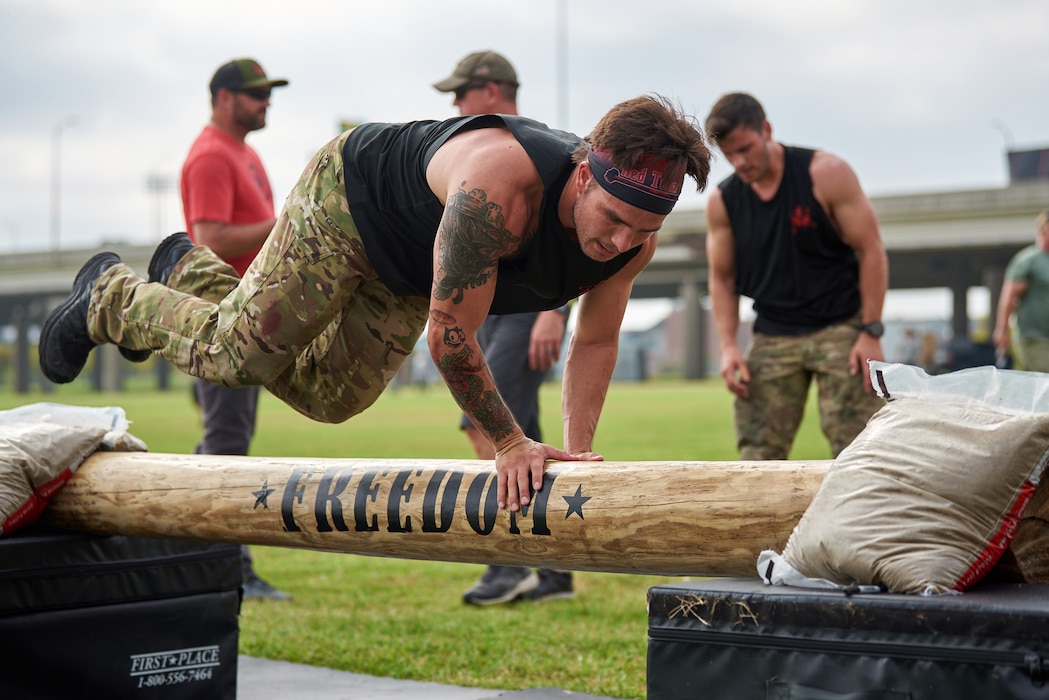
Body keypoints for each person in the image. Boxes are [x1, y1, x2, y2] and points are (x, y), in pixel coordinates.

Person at [38, 94, 712, 521]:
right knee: (236, 356)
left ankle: (187, 271)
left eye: (643, 231)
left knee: (329, 398)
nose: (621, 242)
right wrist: (510, 442)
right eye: (616, 219)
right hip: (350, 203)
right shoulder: (498, 189)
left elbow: (592, 343)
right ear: (585, 173)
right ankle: (111, 297)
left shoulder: (631, 246)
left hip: (411, 268)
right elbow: (451, 334)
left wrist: (577, 457)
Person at [128, 58, 292, 600]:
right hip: (219, 317)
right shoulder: (210, 155)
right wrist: (287, 222)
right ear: (224, 98)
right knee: (225, 440)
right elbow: (208, 238)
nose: (265, 101)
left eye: (269, 92)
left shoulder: (245, 153)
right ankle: (223, 567)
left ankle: (199, 558)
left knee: (227, 436)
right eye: (255, 94)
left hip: (246, 313)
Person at [434, 50, 572, 605]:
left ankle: (506, 560)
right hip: (489, 313)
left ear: (491, 92)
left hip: (524, 313)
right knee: (524, 430)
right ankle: (557, 572)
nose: (454, 104)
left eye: (461, 92)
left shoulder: (534, 143)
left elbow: (567, 238)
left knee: (487, 427)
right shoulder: (484, 145)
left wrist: (553, 313)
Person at [703, 92, 887, 460]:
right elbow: (722, 279)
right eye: (730, 154)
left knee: (861, 449)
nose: (740, 162)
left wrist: (870, 331)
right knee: (757, 455)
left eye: (746, 148)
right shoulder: (724, 202)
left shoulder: (825, 173)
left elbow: (871, 250)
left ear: (767, 130)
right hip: (774, 331)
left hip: (840, 325)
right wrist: (727, 346)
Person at [993, 210, 1049, 372]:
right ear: (1044, 230)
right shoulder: (1028, 261)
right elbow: (1009, 297)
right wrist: (1002, 329)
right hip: (1035, 338)